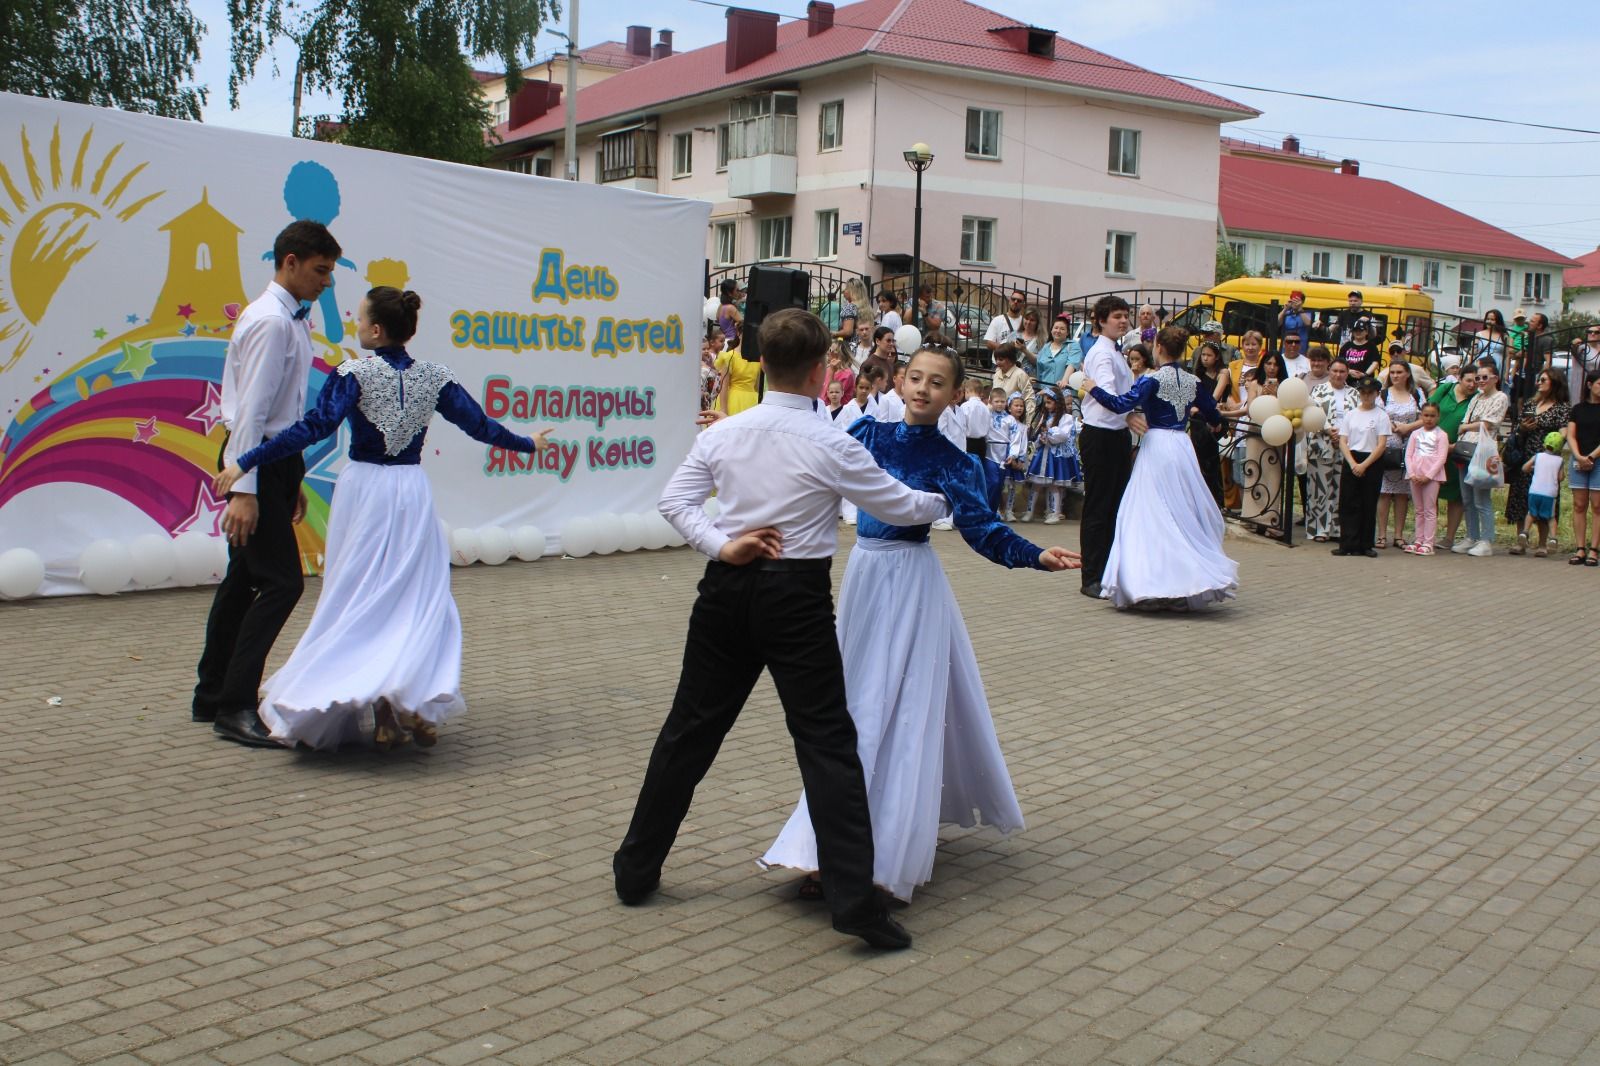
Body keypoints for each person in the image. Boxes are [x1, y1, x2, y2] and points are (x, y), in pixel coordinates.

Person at [613, 308, 954, 952]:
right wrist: (952, 497)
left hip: (727, 592)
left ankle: (635, 869)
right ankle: (854, 903)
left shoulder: (727, 434)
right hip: (795, 596)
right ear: (824, 369)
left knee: (689, 730)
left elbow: (674, 503)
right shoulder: (831, 442)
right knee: (826, 743)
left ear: (760, 364)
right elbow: (898, 504)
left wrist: (723, 545)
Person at [761, 347, 1078, 904]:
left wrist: (1033, 556)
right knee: (854, 708)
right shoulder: (866, 433)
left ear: (956, 395)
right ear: (899, 381)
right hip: (863, 579)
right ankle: (827, 846)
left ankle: (880, 860)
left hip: (911, 588)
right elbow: (807, 456)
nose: (923, 389)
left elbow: (984, 529)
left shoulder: (954, 461)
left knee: (898, 712)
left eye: (938, 383)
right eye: (915, 378)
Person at [211, 287, 554, 749]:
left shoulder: (353, 373)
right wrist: (526, 442)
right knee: (408, 595)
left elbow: (311, 429)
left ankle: (382, 701)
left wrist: (246, 461)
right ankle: (399, 698)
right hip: (411, 491)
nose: (354, 326)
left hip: (365, 491)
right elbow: (479, 425)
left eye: (359, 321)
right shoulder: (435, 377)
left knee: (359, 593)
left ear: (375, 330)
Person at [195, 220, 342, 747]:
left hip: (276, 461)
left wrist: (290, 478)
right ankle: (234, 705)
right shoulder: (272, 323)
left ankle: (211, 693)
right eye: (321, 270)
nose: (326, 282)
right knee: (282, 583)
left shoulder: (291, 320)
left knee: (243, 579)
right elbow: (252, 413)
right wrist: (245, 488)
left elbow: (281, 410)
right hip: (254, 459)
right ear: (291, 262)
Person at [1084, 325, 1236, 609]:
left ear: (1160, 349)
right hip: (1181, 446)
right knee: (1181, 512)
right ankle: (1182, 582)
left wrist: (1093, 389)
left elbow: (1120, 404)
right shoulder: (1193, 381)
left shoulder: (1151, 380)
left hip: (1156, 447)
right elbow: (1213, 412)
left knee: (1149, 512)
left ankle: (1152, 583)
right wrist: (1217, 422)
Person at [1078, 295, 1146, 599]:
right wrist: (1127, 412)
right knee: (1099, 507)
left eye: (1126, 316)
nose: (1123, 321)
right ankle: (1091, 576)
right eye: (1117, 316)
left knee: (1114, 507)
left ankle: (1107, 570)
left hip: (1115, 434)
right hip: (1101, 435)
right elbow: (1105, 392)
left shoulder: (1116, 352)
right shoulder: (1102, 354)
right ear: (1101, 320)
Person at [1506, 368, 1570, 553]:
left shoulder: (1562, 407)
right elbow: (1518, 427)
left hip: (1547, 459)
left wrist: (1558, 439)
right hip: (1527, 455)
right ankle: (1521, 541)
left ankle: (1543, 543)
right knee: (1522, 496)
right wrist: (1523, 428)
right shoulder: (1530, 404)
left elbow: (1563, 432)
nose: (1538, 383)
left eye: (1543, 379)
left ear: (1555, 383)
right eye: (1538, 379)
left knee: (1545, 498)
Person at [1453, 361, 1509, 557]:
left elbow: (1489, 424)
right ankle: (1471, 536)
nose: (1481, 381)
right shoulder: (1476, 398)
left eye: (1485, 377)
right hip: (1465, 450)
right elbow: (1465, 422)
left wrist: (1468, 427)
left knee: (1481, 498)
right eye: (1478, 378)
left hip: (1482, 452)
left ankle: (1486, 540)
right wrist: (1468, 427)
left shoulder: (1501, 397)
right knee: (1467, 498)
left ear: (1495, 378)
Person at [1332, 376, 1391, 557]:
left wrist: (1364, 465)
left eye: (1370, 393)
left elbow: (1381, 445)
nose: (1366, 396)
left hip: (1371, 460)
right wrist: (1352, 463)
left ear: (1376, 394)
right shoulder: (1351, 414)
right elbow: (1343, 441)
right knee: (1348, 502)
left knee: (1368, 502)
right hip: (1352, 458)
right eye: (1363, 393)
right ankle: (1347, 543)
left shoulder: (1382, 415)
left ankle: (1365, 544)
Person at [1307, 360, 1359, 543]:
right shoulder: (1318, 391)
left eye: (1342, 371)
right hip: (1321, 444)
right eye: (1335, 370)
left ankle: (1337, 528)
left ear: (1347, 373)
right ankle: (1319, 529)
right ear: (1329, 371)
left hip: (1346, 445)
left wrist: (1343, 435)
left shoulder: (1354, 393)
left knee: (1340, 487)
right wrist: (1329, 430)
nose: (1338, 374)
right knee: (1319, 488)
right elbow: (1312, 413)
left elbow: (1357, 417)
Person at [1375, 360, 1424, 550]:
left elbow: (1424, 417)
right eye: (1392, 372)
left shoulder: (1416, 394)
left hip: (1409, 447)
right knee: (1385, 492)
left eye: (1399, 372)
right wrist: (1395, 427)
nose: (1395, 376)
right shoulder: (1384, 394)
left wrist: (1408, 427)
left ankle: (1398, 535)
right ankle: (1381, 534)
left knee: (1402, 494)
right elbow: (1378, 414)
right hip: (1388, 445)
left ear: (1407, 374)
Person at [1428, 367, 1477, 551]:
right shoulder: (1446, 389)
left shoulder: (1475, 398)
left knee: (1455, 496)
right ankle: (1428, 535)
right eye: (1468, 380)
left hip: (1456, 452)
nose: (1472, 385)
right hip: (1433, 450)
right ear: (1459, 379)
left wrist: (1452, 446)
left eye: (1475, 381)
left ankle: (1449, 537)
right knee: (1431, 493)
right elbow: (1429, 411)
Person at [1022, 386, 1080, 524]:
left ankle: (1054, 513)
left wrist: (1049, 433)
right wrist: (1039, 438)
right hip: (1043, 453)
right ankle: (1029, 511)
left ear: (1057, 402)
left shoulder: (1066, 418)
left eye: (1049, 402)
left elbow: (1063, 435)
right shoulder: (1045, 416)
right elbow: (1037, 435)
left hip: (1055, 456)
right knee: (1036, 483)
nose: (1047, 406)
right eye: (1045, 402)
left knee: (1054, 484)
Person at [1403, 403, 1449, 556]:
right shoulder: (1415, 434)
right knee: (1418, 510)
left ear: (1438, 417)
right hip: (1415, 475)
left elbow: (1441, 457)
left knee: (1429, 509)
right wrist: (1412, 473)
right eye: (1426, 415)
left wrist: (1428, 476)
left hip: (1431, 476)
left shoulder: (1441, 435)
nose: (1429, 419)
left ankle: (1429, 542)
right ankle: (1418, 539)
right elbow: (1408, 455)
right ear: (1421, 416)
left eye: (1432, 416)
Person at [1190, 341, 1231, 507]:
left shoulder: (1223, 373)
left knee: (1213, 460)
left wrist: (1204, 409)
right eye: (1203, 355)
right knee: (1199, 459)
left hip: (1214, 418)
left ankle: (1217, 500)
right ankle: (1200, 499)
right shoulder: (1197, 376)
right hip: (1199, 420)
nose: (1205, 359)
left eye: (1209, 355)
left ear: (1217, 357)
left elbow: (1214, 398)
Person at [1566, 374, 1600, 566]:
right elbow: (1571, 435)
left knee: (1597, 506)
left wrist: (1591, 457)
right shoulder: (1578, 409)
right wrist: (1579, 456)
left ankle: (1594, 550)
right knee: (1579, 505)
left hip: (1597, 460)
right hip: (1578, 459)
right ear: (1589, 385)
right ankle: (1580, 548)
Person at [1519, 432, 1567, 558]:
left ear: (1545, 443)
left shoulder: (1538, 456)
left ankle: (1524, 532)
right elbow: (1561, 477)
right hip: (1549, 493)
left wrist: (1533, 467)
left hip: (1534, 491)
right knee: (1550, 517)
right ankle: (1552, 538)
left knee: (1531, 513)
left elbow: (1525, 468)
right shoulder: (1560, 460)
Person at [715, 326, 761, 416]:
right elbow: (724, 386)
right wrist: (723, 411)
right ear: (739, 334)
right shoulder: (729, 356)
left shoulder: (758, 359)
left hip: (753, 402)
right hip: (733, 401)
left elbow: (757, 386)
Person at [998, 392, 1029, 518]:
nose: (1019, 408)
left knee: (1012, 487)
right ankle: (998, 509)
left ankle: (1009, 510)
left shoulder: (1023, 427)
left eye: (1021, 406)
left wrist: (1021, 459)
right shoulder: (1005, 421)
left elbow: (1024, 444)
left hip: (1016, 459)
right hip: (1004, 456)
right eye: (1016, 405)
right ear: (1009, 407)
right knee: (1000, 484)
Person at [992, 342, 1033, 417]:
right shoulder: (997, 374)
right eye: (996, 359)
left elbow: (1029, 400)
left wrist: (1028, 424)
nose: (997, 362)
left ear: (1011, 359)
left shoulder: (1020, 375)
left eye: (1001, 359)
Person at [1036, 314, 1076, 392]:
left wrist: (1064, 381)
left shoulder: (1073, 346)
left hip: (1063, 394)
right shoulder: (1045, 348)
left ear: (1067, 333)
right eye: (1056, 328)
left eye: (1062, 329)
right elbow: (1039, 371)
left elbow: (1072, 364)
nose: (1058, 331)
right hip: (1045, 395)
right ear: (1051, 330)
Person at [985, 289, 1027, 355]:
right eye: (1013, 299)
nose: (1015, 302)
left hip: (1018, 363)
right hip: (999, 362)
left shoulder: (1025, 322)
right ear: (1009, 301)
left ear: (1023, 304)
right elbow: (989, 343)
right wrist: (1007, 349)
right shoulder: (997, 320)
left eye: (1019, 301)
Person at [1474, 308, 1510, 375]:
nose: (1489, 321)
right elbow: (1473, 353)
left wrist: (1507, 372)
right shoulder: (1479, 334)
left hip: (1498, 365)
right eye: (1487, 319)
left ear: (1498, 321)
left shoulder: (1504, 336)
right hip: (1480, 364)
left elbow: (1507, 356)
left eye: (1492, 319)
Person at [821, 340, 855, 405]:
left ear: (837, 354)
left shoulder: (847, 374)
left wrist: (832, 372)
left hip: (839, 411)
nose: (828, 352)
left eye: (830, 350)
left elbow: (829, 398)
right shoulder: (827, 369)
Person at [717, 279, 743, 344]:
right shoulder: (731, 308)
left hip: (726, 341)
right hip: (733, 341)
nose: (739, 292)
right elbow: (743, 324)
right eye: (737, 290)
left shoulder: (721, 306)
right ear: (729, 293)